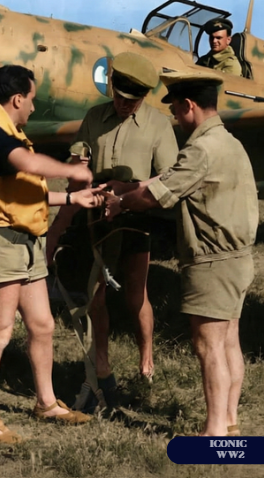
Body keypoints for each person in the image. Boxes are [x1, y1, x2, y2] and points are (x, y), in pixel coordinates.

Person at [103, 70, 258, 437]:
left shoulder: (200, 149)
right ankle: (229, 421)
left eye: (174, 110)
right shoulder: (228, 141)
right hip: (237, 259)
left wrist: (120, 202)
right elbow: (174, 177)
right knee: (228, 341)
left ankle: (214, 432)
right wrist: (129, 185)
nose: (174, 117)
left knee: (208, 347)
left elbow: (157, 196)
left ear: (189, 105)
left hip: (211, 261)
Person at [0, 65, 104, 443]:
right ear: (17, 99)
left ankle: (47, 403)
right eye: (32, 99)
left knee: (43, 325)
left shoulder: (9, 134)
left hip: (26, 243)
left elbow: (26, 193)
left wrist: (73, 199)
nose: (34, 108)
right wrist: (73, 172)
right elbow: (29, 165)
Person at [47, 52, 179, 410]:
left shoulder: (158, 125)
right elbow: (78, 164)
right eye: (119, 97)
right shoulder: (94, 117)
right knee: (96, 294)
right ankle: (101, 365)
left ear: (144, 97)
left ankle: (146, 356)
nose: (123, 105)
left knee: (136, 293)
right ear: (112, 88)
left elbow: (170, 175)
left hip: (135, 213)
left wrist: (129, 193)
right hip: (96, 214)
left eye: (132, 101)